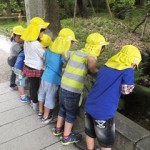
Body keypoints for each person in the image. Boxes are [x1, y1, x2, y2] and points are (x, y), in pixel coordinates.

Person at [53, 33, 109, 146]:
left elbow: (64, 53)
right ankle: (66, 137)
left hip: (63, 85)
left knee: (62, 108)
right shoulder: (91, 57)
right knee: (70, 113)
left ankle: (58, 129)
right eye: (103, 47)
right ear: (99, 47)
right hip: (73, 89)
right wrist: (97, 72)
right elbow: (92, 66)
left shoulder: (77, 52)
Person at [84, 45, 142, 150]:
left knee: (90, 133)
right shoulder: (128, 70)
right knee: (105, 143)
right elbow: (125, 91)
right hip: (104, 111)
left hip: (90, 105)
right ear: (132, 62)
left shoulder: (107, 65)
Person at [38, 28, 77, 125]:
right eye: (71, 42)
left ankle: (40, 111)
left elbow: (44, 58)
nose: (72, 44)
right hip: (53, 79)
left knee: (42, 94)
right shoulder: (62, 54)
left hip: (45, 76)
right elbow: (65, 64)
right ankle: (46, 117)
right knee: (49, 98)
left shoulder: (50, 49)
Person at [21, 17, 50, 111]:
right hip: (35, 68)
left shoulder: (27, 40)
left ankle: (34, 101)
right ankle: (35, 103)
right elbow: (44, 56)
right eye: (42, 31)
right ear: (37, 31)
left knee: (32, 86)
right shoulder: (35, 44)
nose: (43, 33)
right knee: (35, 87)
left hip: (28, 66)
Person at [7, 25, 25, 90]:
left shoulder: (17, 41)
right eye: (19, 37)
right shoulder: (14, 44)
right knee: (14, 72)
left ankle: (19, 82)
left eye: (22, 37)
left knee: (17, 71)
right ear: (14, 36)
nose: (21, 39)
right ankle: (12, 85)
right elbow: (21, 51)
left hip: (16, 58)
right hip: (13, 59)